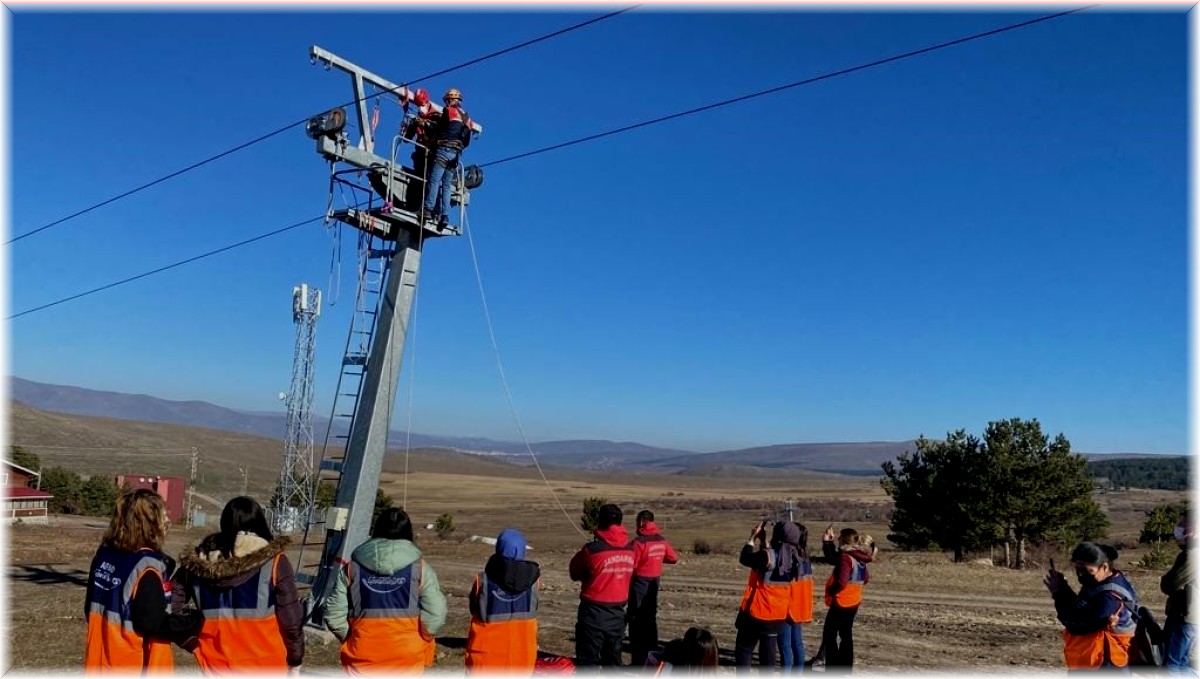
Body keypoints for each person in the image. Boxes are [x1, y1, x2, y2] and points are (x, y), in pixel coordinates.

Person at [172, 496, 304, 674]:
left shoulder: (196, 564)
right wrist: (295, 659)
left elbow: (168, 606)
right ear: (260, 524)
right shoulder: (275, 563)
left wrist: (191, 642)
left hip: (214, 665)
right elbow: (291, 619)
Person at [84, 489, 202, 674]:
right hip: (134, 663)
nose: (168, 521)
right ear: (149, 523)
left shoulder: (103, 556)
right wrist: (195, 620)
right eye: (163, 516)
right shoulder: (146, 567)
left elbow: (89, 609)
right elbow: (153, 623)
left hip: (99, 660)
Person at [325, 507, 447, 674]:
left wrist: (350, 638)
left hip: (361, 658)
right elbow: (436, 614)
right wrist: (421, 637)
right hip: (408, 658)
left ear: (376, 530)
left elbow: (333, 613)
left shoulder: (350, 569)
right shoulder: (421, 569)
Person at [1044, 541, 1139, 671]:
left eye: (1087, 570)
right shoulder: (1100, 582)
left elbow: (1078, 624)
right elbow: (1080, 608)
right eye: (1078, 569)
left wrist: (1059, 595)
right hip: (1091, 660)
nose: (1081, 574)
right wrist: (1064, 590)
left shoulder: (1111, 596)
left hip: (1105, 663)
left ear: (1104, 567)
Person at [466, 528, 541, 674]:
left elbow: (474, 608)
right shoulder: (534, 581)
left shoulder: (482, 580)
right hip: (523, 656)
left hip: (486, 657)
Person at [569, 503, 635, 667]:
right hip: (618, 615)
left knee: (587, 663)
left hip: (593, 614)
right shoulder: (631, 549)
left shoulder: (592, 550)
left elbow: (574, 573)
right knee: (612, 662)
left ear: (600, 522)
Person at [735, 520, 800, 671]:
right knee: (768, 656)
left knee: (744, 649)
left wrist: (752, 539)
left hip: (757, 612)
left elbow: (745, 558)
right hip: (777, 614)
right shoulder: (795, 558)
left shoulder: (767, 556)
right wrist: (764, 541)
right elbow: (771, 561)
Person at [813, 526, 876, 671]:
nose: (838, 539)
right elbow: (865, 579)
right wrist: (827, 543)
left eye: (840, 537)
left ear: (844, 539)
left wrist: (832, 590)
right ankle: (846, 667)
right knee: (846, 635)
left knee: (829, 635)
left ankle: (833, 668)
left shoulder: (846, 558)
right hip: (854, 602)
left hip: (841, 602)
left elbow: (842, 581)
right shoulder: (860, 558)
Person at [628, 509, 680, 666]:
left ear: (642, 522)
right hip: (654, 583)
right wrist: (656, 560)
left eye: (637, 522)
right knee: (650, 619)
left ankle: (638, 659)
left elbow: (632, 564)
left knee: (636, 620)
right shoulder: (661, 540)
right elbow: (673, 557)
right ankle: (652, 656)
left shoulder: (639, 542)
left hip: (639, 583)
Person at [421, 87, 474, 227]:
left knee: (434, 181)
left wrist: (427, 126)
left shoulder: (448, 111)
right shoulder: (468, 118)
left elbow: (439, 130)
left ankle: (427, 209)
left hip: (444, 149)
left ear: (450, 100)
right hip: (456, 155)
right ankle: (444, 216)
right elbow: (467, 141)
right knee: (446, 186)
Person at [1161, 512, 1196, 674]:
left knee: (1172, 663)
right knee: (1183, 662)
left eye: (1183, 526)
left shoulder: (1192, 554)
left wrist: (1166, 580)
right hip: (1190, 617)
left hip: (1184, 616)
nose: (1178, 529)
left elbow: (1171, 584)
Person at [779, 522, 814, 673]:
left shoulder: (790, 558)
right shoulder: (805, 557)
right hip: (801, 605)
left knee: (785, 645)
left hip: (788, 606)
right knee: (797, 643)